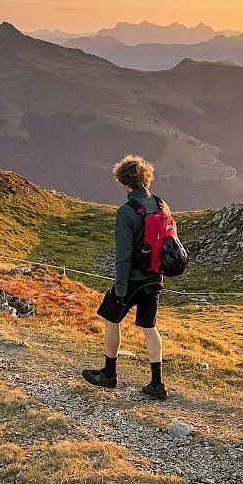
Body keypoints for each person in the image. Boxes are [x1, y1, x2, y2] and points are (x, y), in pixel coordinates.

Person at [82, 155, 169, 399]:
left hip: (133, 278)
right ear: (145, 178)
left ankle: (109, 374)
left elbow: (123, 255)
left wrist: (120, 288)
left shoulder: (126, 212)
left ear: (124, 181)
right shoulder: (162, 205)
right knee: (150, 326)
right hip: (155, 276)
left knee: (111, 317)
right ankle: (157, 383)